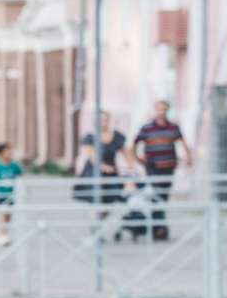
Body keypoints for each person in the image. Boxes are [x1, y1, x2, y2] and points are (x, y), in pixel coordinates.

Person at [131, 100, 190, 241]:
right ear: (155, 110)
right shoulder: (146, 128)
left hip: (168, 166)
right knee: (155, 196)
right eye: (159, 109)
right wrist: (137, 159)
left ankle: (159, 228)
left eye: (164, 109)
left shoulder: (174, 127)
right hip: (152, 167)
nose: (161, 112)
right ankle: (158, 228)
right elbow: (134, 144)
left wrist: (187, 157)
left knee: (163, 197)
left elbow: (183, 142)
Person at [75, 111, 128, 235]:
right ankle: (95, 229)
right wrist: (103, 167)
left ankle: (99, 222)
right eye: (100, 119)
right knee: (96, 202)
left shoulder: (116, 136)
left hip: (111, 173)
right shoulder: (90, 137)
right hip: (93, 173)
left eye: (105, 119)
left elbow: (125, 151)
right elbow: (90, 154)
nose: (103, 122)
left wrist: (130, 166)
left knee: (110, 202)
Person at [0, 142, 23, 246]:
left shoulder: (15, 166)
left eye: (10, 151)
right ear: (1, 153)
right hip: (1, 194)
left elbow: (21, 177)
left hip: (11, 194)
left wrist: (26, 191)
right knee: (4, 213)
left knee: (8, 215)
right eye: (7, 151)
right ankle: (2, 234)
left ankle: (4, 233)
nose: (9, 153)